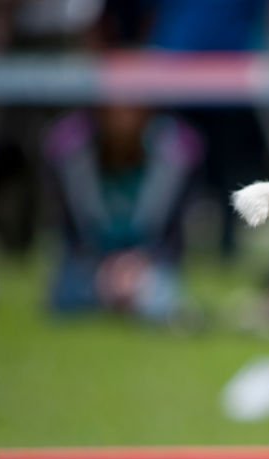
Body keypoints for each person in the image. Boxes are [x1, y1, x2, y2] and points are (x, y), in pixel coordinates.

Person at [42, 105, 202, 322]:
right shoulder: (72, 150)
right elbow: (69, 234)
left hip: (149, 263)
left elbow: (173, 240)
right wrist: (104, 271)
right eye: (114, 107)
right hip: (89, 265)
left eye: (130, 107)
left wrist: (139, 265)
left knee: (162, 299)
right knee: (66, 295)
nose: (122, 115)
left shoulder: (174, 152)